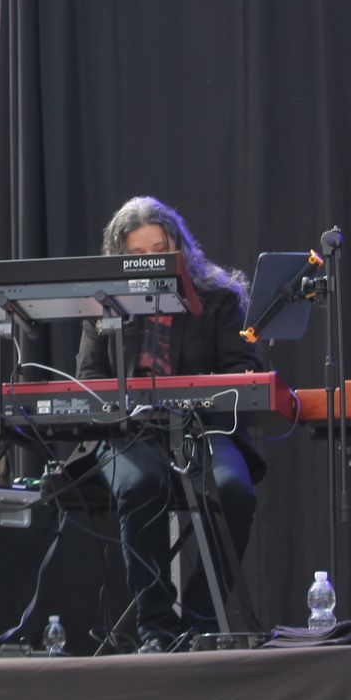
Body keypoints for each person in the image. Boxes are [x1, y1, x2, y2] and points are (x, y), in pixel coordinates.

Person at [75, 195, 264, 651]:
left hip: (201, 429)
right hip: (128, 433)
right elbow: (89, 379)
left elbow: (243, 369)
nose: (150, 261)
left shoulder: (217, 297)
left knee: (235, 490)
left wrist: (200, 395)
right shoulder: (104, 304)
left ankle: (199, 621)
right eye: (138, 253)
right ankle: (156, 629)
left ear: (179, 248)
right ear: (120, 257)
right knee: (140, 484)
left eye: (159, 250)